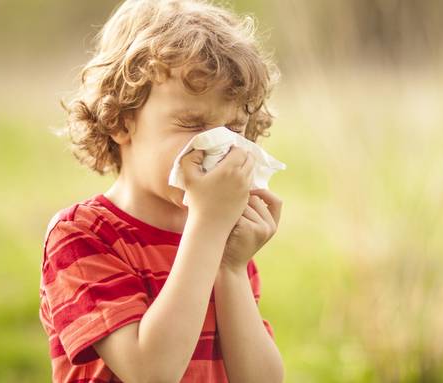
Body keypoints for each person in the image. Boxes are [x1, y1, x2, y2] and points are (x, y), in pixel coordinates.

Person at [38, 0, 284, 381]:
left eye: (234, 130)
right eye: (192, 123)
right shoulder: (81, 236)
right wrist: (207, 227)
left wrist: (231, 269)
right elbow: (151, 372)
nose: (217, 146)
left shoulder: (222, 236)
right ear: (120, 121)